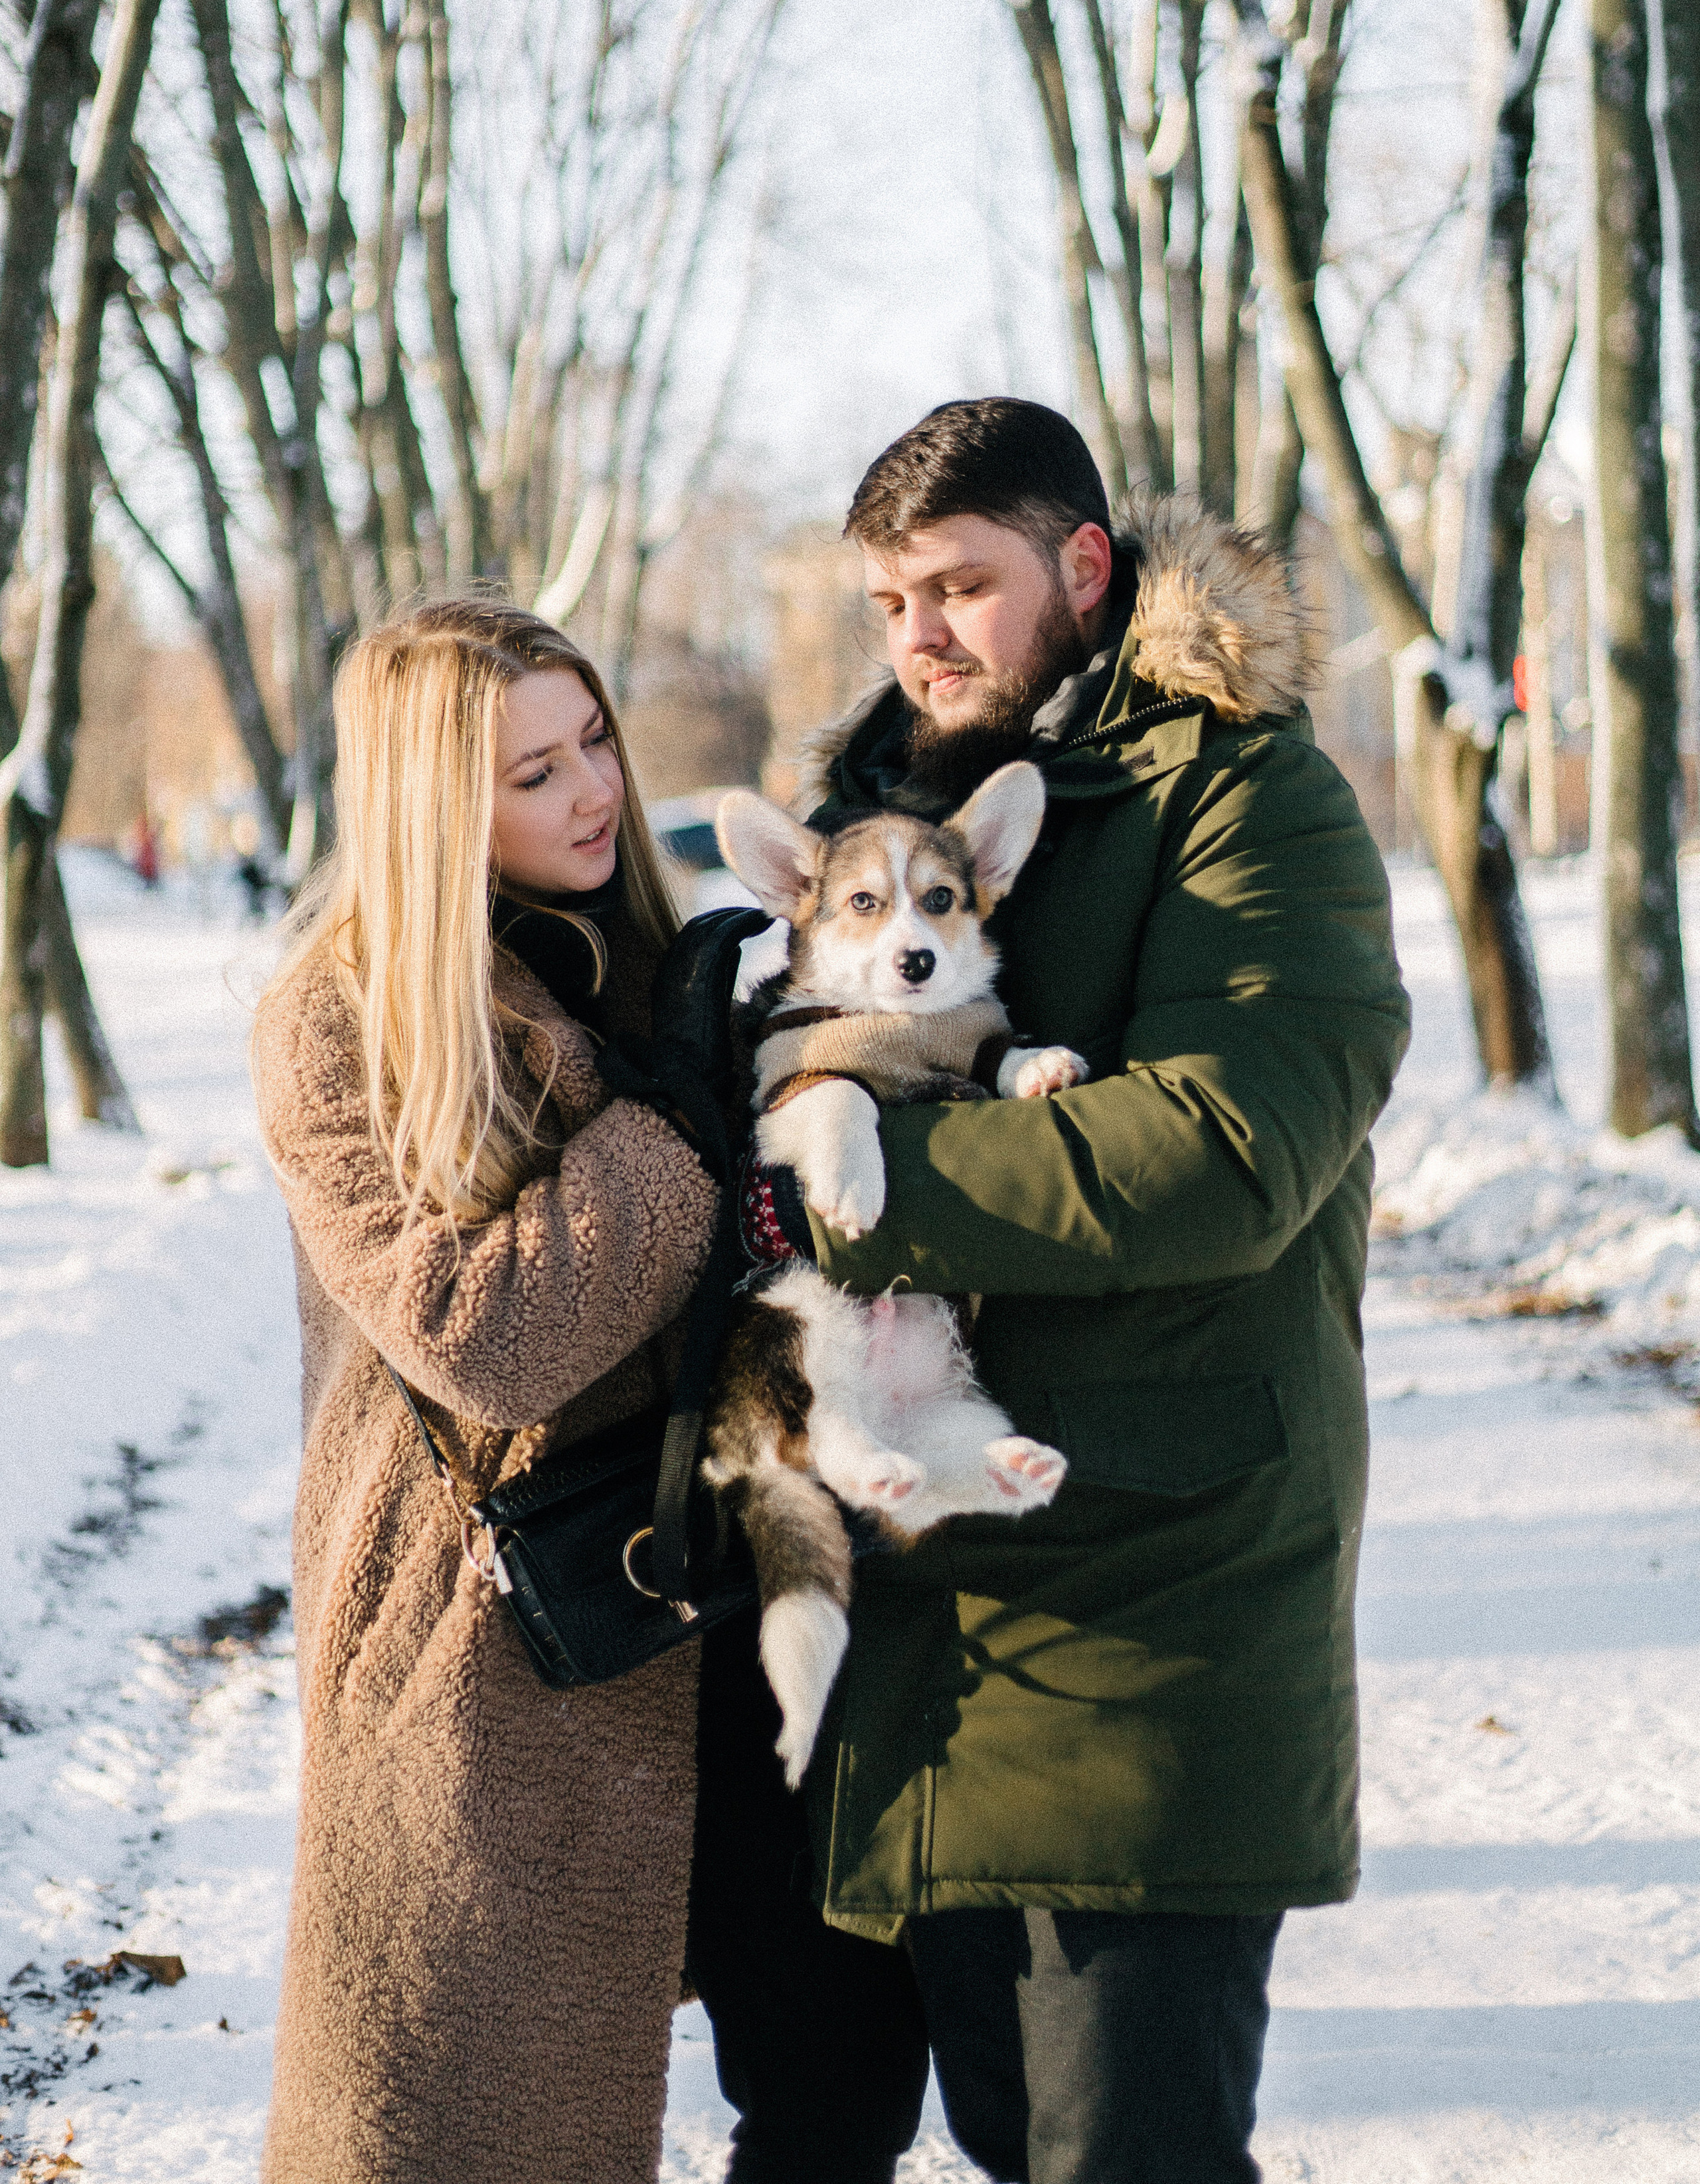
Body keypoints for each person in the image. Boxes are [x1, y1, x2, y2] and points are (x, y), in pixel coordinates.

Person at [692, 399, 1411, 2184]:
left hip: (1150, 1600)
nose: (918, 634)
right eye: (888, 603)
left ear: (1085, 572)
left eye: (961, 586)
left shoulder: (1249, 800)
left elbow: (1229, 1146)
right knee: (1008, 2139)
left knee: (1124, 2158)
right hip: (921, 1624)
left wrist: (849, 1193)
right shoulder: (873, 824)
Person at [250, 596, 722, 2184]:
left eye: (593, 741)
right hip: (473, 1652)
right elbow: (479, 1333)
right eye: (533, 773)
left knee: (825, 2089)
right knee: (463, 2127)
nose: (592, 792)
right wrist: (666, 1132)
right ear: (433, 802)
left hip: (707, 1602)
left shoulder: (645, 959)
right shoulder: (341, 1021)